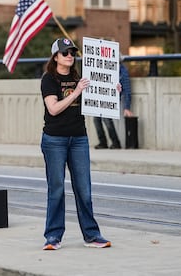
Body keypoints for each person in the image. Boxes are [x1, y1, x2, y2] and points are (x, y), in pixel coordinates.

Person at [40, 37, 111, 250]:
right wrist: (77, 91)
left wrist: (111, 89)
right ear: (55, 57)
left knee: (84, 189)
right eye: (65, 53)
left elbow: (99, 98)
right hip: (54, 140)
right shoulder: (48, 79)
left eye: (72, 52)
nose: (70, 56)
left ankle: (92, 235)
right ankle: (53, 236)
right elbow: (53, 109)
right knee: (57, 188)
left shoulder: (80, 77)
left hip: (79, 138)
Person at [93, 56, 132, 149]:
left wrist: (127, 107)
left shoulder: (122, 72)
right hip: (102, 97)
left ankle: (115, 142)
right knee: (96, 119)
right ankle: (103, 142)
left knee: (107, 119)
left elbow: (127, 90)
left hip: (111, 99)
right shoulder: (103, 69)